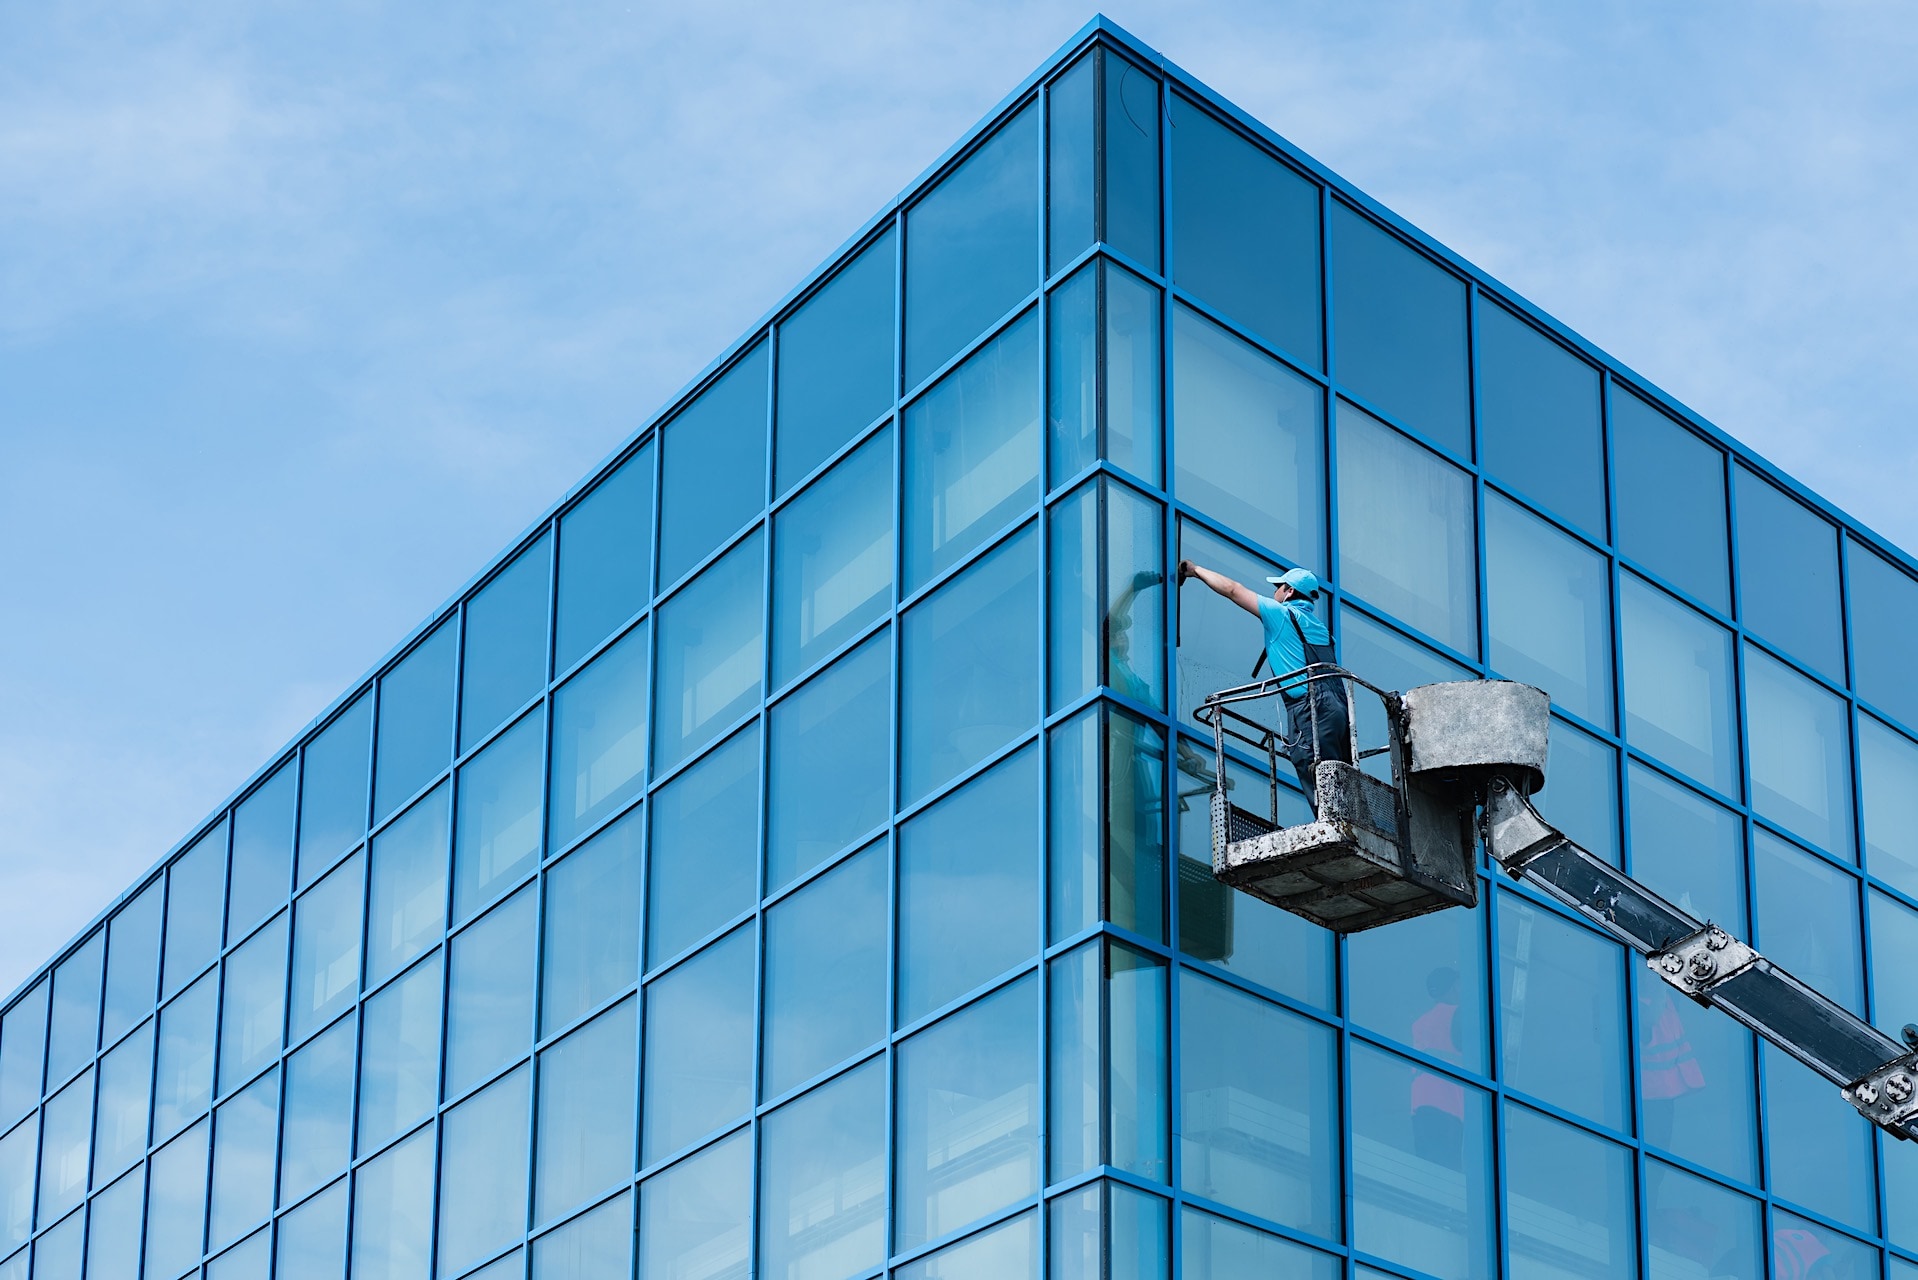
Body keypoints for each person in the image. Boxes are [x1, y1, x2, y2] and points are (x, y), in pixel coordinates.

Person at [1177, 558, 1351, 800]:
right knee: (1337, 777)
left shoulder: (1279, 614)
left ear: (1289, 592)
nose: (1274, 591)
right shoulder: (1322, 629)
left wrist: (1195, 570)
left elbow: (1233, 590)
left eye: (1279, 587)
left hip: (1310, 708)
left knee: (1311, 766)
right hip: (1338, 709)